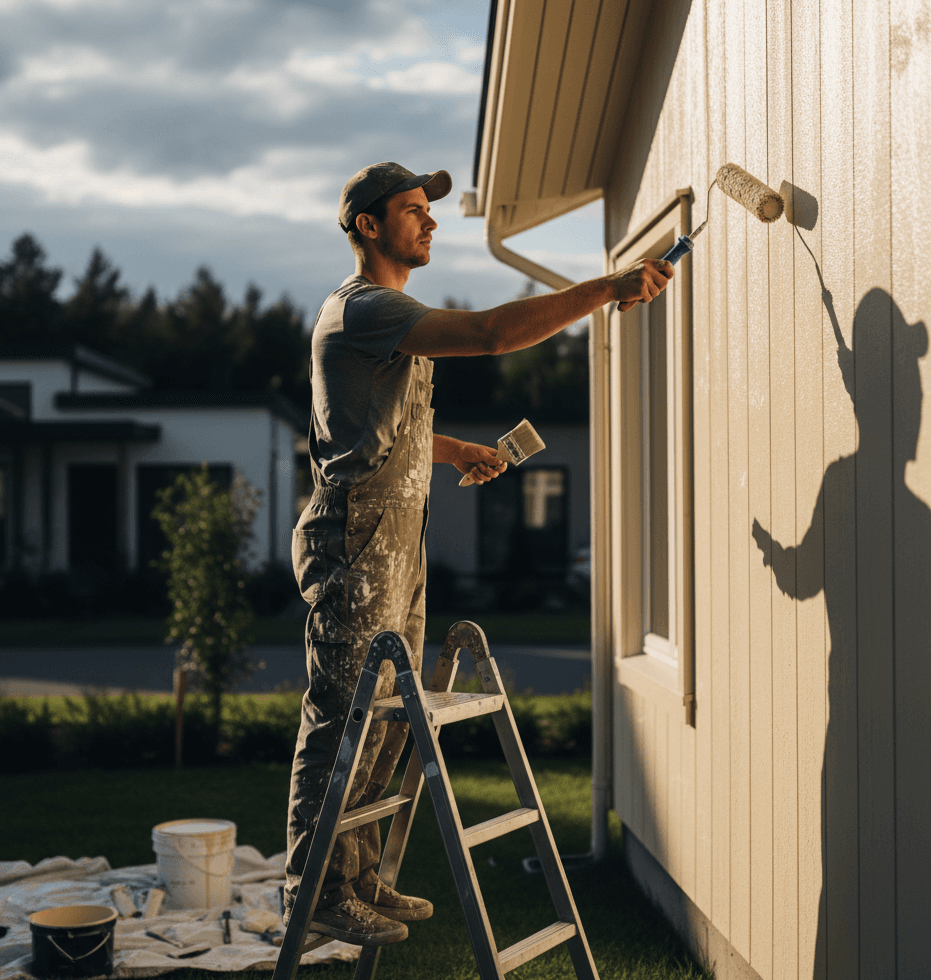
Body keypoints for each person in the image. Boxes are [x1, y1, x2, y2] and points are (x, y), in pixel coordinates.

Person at [285, 161, 672, 946]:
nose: (430, 222)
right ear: (368, 225)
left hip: (397, 534)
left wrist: (456, 450)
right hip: (358, 535)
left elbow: (383, 433)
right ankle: (314, 888)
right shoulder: (364, 309)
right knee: (344, 718)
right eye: (412, 211)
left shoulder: (393, 316)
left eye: (430, 210)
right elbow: (494, 334)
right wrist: (606, 289)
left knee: (391, 718)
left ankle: (355, 876)